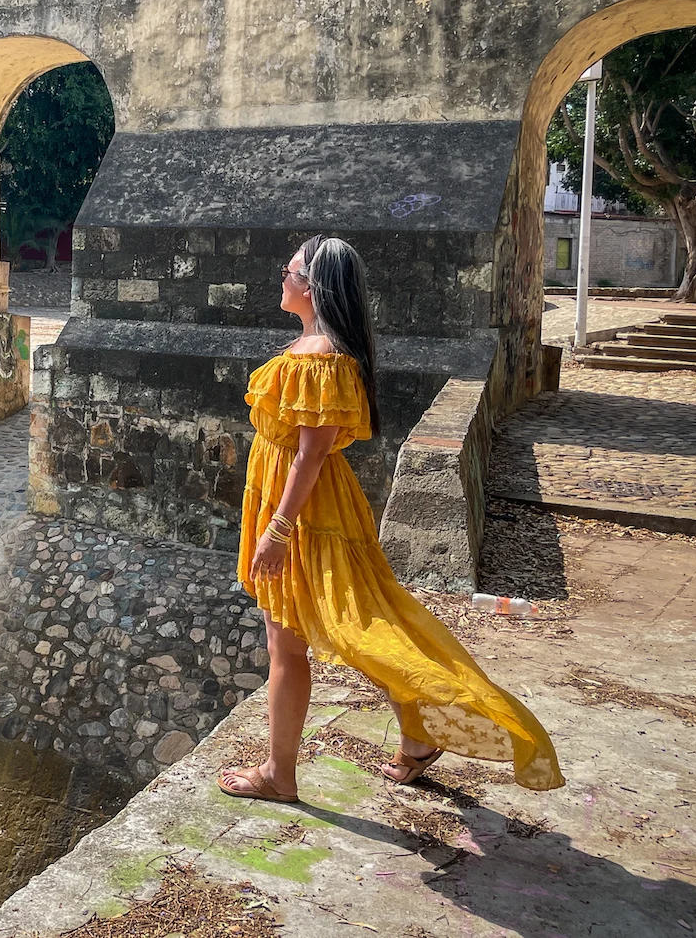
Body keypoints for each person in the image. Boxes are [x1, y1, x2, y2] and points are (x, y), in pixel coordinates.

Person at [217, 236, 563, 803]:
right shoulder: (314, 346)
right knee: (358, 626)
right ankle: (416, 733)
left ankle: (280, 775)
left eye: (290, 271)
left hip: (306, 515)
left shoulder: (322, 357)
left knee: (309, 640)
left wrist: (277, 531)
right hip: (305, 507)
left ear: (312, 286)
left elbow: (310, 453)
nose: (281, 278)